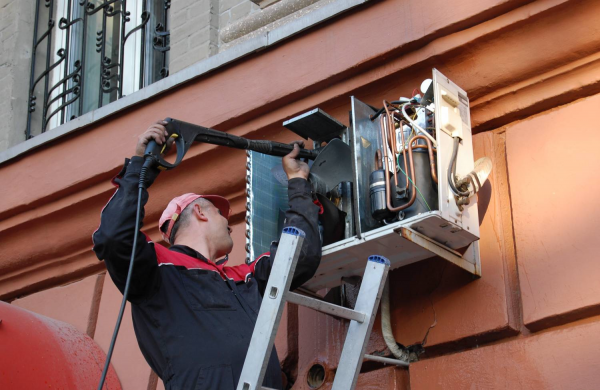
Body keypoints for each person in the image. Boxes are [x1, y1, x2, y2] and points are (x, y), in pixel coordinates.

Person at [92, 120, 322, 390]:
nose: (229, 224)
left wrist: (297, 183)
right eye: (219, 213)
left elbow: (300, 255)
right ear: (200, 212)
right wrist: (141, 165)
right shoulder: (156, 266)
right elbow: (114, 236)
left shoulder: (244, 276)